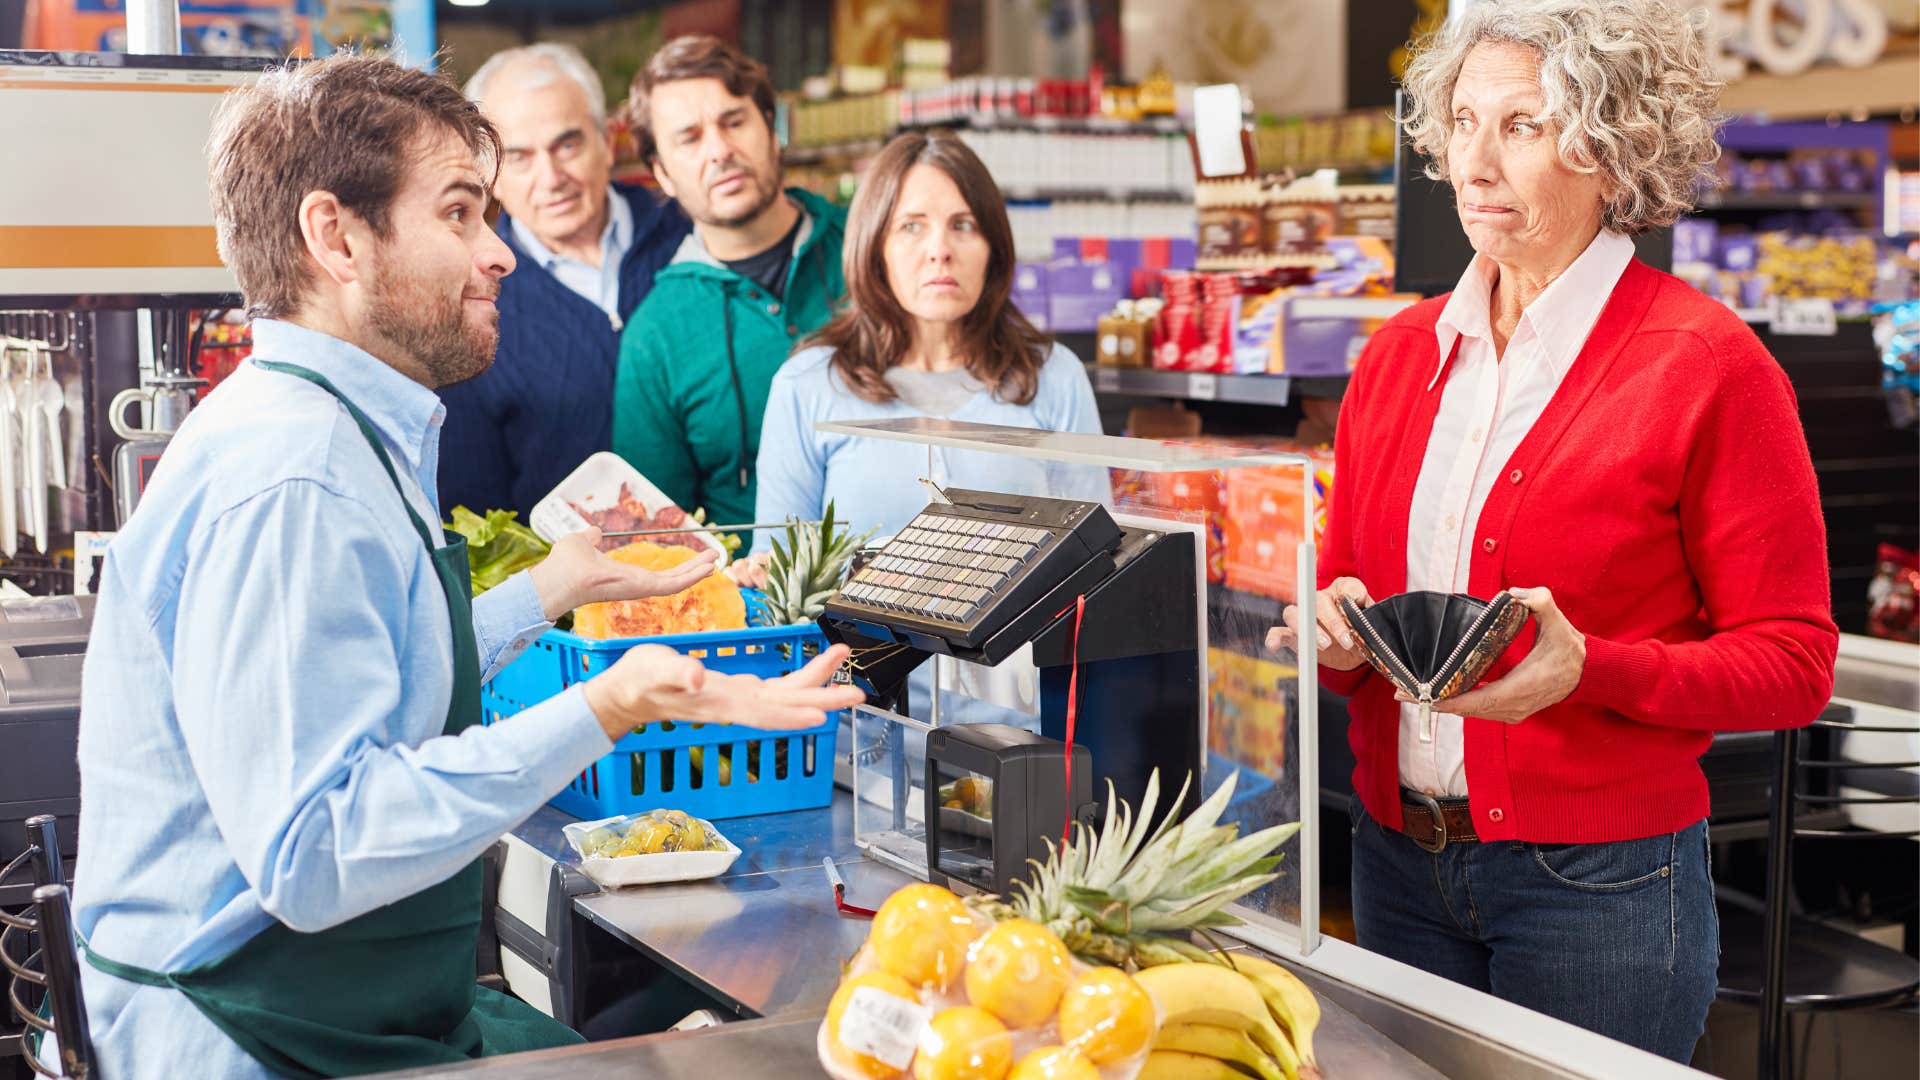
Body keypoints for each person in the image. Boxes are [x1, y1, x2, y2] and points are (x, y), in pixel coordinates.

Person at [65, 55, 862, 1080]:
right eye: (459, 215)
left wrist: (556, 586)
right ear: (335, 236)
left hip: (328, 997)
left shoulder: (332, 426)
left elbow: (376, 669)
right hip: (248, 1033)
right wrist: (606, 706)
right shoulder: (295, 477)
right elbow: (316, 849)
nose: (502, 254)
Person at [1267, 0, 1837, 1062]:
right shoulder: (1398, 358)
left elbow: (1795, 664)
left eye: (1522, 126)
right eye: (1462, 121)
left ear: (1612, 149)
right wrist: (1340, 636)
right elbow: (1354, 593)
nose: (1474, 162)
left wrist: (1591, 671)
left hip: (1601, 890)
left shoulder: (1707, 367)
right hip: (1395, 863)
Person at [742, 131, 1105, 724]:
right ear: (874, 246)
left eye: (963, 225)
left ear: (992, 246)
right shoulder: (808, 383)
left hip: (1021, 733)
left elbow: (1097, 574)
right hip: (857, 733)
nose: (940, 249)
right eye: (911, 225)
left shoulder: (1051, 376)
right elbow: (776, 582)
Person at [437, 43, 689, 518]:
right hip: (566, 583)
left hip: (727, 565)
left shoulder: (691, 238)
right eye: (520, 157)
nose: (551, 178)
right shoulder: (469, 299)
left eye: (567, 144)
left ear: (607, 141)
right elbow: (472, 514)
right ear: (487, 174)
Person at [611, 35, 848, 533]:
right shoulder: (655, 336)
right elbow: (661, 537)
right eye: (690, 137)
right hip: (759, 604)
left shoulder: (876, 247)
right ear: (662, 173)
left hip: (917, 580)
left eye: (733, 121)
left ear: (772, 127)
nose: (719, 150)